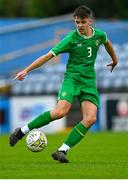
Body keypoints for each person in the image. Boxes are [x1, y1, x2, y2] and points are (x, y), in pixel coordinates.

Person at [9, 5, 118, 163]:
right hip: (72, 80)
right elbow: (48, 56)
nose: (79, 25)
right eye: (77, 22)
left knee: (91, 118)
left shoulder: (99, 35)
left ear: (90, 21)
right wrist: (27, 70)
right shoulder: (71, 39)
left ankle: (62, 150)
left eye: (82, 22)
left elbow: (107, 43)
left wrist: (115, 60)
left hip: (88, 82)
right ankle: (22, 131)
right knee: (60, 112)